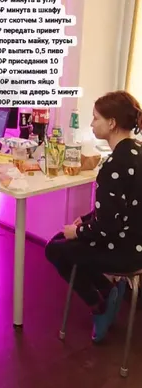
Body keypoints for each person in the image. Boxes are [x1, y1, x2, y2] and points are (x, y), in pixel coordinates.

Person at [45, 91, 142, 342]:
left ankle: (99, 303)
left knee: (55, 249)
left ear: (112, 123)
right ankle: (108, 291)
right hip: (136, 241)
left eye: (96, 118)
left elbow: (108, 227)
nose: (91, 123)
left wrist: (77, 231)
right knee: (63, 242)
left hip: (123, 249)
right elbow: (122, 208)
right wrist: (87, 219)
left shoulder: (113, 166)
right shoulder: (137, 152)